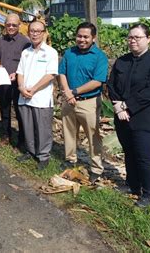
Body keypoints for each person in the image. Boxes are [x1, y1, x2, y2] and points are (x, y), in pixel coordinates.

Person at [107, 23, 150, 207]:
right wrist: (118, 107)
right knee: (129, 153)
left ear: (148, 39)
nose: (133, 40)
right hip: (122, 117)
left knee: (144, 156)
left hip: (146, 118)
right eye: (130, 37)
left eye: (137, 37)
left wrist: (127, 106)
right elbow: (112, 85)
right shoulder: (122, 61)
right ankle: (132, 185)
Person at [58, 22, 108, 182]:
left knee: (93, 136)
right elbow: (62, 73)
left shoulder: (99, 56)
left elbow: (97, 81)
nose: (82, 39)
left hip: (89, 102)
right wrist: (67, 92)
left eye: (86, 37)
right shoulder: (69, 53)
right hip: (69, 100)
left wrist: (74, 92)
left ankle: (96, 168)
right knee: (69, 132)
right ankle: (70, 159)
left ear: (93, 38)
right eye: (79, 36)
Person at [15, 20, 58, 170]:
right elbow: (20, 72)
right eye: (32, 31)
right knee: (28, 127)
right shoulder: (25, 52)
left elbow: (51, 75)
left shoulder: (51, 52)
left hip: (41, 98)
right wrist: (21, 87)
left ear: (44, 33)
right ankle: (30, 151)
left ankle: (43, 156)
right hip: (25, 96)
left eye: (38, 31)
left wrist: (33, 90)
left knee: (43, 129)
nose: (35, 34)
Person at [0, 13, 30, 147]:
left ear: (19, 25)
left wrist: (17, 73)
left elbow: (28, 64)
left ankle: (22, 139)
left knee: (20, 112)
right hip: (3, 83)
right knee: (5, 110)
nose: (11, 27)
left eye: (14, 25)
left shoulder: (26, 42)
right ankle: (5, 135)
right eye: (8, 24)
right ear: (5, 25)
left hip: (18, 83)